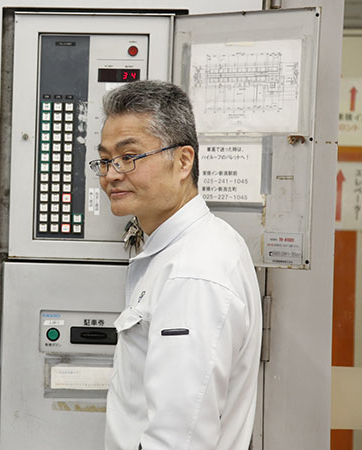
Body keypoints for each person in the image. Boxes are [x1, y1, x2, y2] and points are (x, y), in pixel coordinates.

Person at [94, 80, 262, 450]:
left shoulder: (194, 271)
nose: (112, 174)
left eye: (129, 157)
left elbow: (179, 438)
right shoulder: (186, 248)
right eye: (105, 160)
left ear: (183, 161)